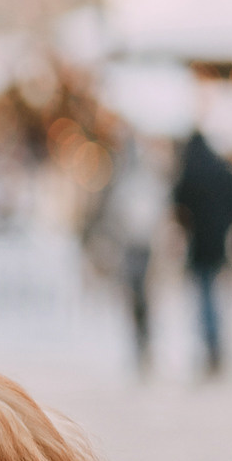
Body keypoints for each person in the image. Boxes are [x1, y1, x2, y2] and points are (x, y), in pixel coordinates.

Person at [90, 132, 169, 376]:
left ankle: (144, 344)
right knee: (137, 298)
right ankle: (141, 344)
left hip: (140, 247)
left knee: (140, 298)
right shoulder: (139, 182)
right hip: (136, 247)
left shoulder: (138, 182)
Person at [171, 128, 232, 376]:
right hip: (219, 242)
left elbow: (178, 204)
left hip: (199, 244)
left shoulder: (189, 172)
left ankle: (211, 345)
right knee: (215, 293)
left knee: (205, 295)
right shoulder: (221, 169)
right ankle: (216, 344)